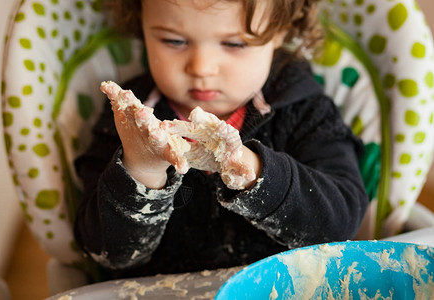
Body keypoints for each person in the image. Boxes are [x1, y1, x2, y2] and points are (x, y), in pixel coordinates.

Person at [74, 0, 369, 280]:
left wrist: (253, 172)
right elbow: (105, 254)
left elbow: (340, 226)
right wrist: (140, 170)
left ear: (279, 31)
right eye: (174, 41)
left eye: (234, 43)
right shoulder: (127, 118)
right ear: (142, 22)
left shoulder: (305, 110)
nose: (201, 68)